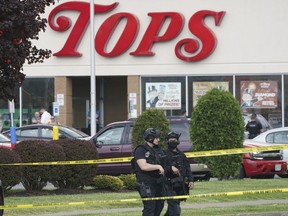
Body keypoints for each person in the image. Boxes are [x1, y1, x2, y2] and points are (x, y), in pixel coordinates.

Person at [133, 128, 166, 216]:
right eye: (156, 138)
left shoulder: (158, 149)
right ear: (150, 138)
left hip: (158, 182)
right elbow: (143, 166)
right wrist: (158, 166)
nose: (158, 139)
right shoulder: (140, 150)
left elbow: (165, 162)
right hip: (146, 182)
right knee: (150, 207)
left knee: (159, 206)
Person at [163, 131, 194, 216]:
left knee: (173, 208)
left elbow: (187, 167)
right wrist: (170, 168)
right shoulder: (164, 154)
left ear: (178, 141)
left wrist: (191, 180)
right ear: (167, 141)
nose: (173, 141)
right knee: (175, 208)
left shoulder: (181, 154)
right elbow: (161, 168)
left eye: (174, 139)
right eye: (171, 139)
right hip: (168, 184)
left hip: (180, 184)